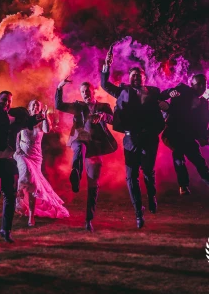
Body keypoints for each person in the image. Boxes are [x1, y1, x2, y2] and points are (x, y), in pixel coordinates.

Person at [0, 46, 44, 243]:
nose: (6, 103)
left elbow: (29, 122)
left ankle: (6, 231)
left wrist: (39, 117)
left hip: (6, 161)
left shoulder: (14, 118)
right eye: (4, 100)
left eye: (9, 101)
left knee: (9, 195)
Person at [101, 46, 165, 228]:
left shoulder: (153, 93)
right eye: (133, 75)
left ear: (144, 78)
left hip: (149, 138)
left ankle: (151, 196)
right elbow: (105, 85)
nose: (136, 77)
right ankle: (138, 212)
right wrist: (107, 66)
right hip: (131, 139)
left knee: (148, 173)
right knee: (131, 177)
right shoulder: (122, 91)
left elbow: (163, 106)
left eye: (139, 75)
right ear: (129, 78)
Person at [55, 78, 117, 231]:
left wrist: (103, 116)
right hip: (79, 139)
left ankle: (89, 219)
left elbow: (114, 120)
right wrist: (59, 87)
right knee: (79, 147)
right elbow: (59, 105)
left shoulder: (103, 106)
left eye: (87, 91)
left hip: (95, 147)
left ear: (93, 91)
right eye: (82, 92)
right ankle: (75, 174)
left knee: (93, 183)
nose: (85, 94)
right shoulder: (78, 106)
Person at [15, 99, 69, 226]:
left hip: (36, 157)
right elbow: (16, 134)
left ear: (40, 109)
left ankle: (31, 215)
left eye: (37, 105)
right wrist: (17, 148)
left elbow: (47, 129)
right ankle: (20, 197)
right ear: (29, 107)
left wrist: (45, 117)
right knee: (27, 175)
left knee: (33, 184)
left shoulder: (41, 121)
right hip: (22, 154)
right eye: (33, 104)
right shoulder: (24, 119)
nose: (35, 106)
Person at [160, 74, 209, 195]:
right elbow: (163, 94)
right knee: (178, 154)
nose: (202, 87)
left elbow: (203, 123)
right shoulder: (182, 89)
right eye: (199, 84)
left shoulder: (204, 103)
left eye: (204, 84)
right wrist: (170, 92)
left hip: (187, 136)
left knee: (199, 161)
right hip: (172, 133)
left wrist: (204, 137)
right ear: (192, 85)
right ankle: (183, 185)